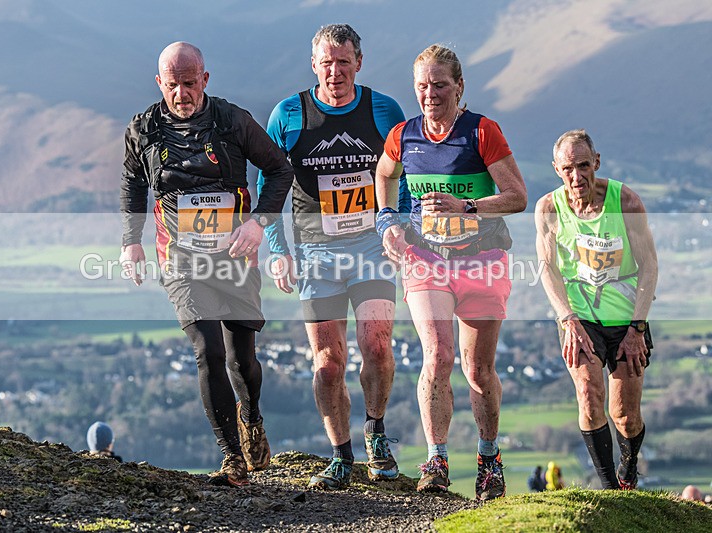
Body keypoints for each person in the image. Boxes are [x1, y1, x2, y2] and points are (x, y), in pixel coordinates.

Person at [120, 42, 294, 487]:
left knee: (241, 361)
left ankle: (251, 416)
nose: (181, 94)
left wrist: (258, 224)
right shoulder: (142, 130)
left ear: (205, 80)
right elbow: (132, 186)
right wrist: (130, 243)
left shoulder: (233, 121)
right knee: (208, 352)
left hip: (235, 255)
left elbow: (280, 170)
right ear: (159, 83)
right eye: (172, 85)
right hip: (179, 260)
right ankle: (231, 456)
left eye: (190, 83)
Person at [374, 44, 527, 500]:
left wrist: (468, 206)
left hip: (483, 259)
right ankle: (436, 459)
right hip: (427, 260)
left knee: (478, 369)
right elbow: (384, 175)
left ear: (459, 87)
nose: (430, 94)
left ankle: (488, 459)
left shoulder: (482, 132)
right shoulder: (404, 135)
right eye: (422, 86)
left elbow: (517, 196)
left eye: (440, 85)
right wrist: (387, 221)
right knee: (438, 356)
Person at [257, 24, 407, 490]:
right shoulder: (288, 115)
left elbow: (405, 174)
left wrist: (397, 227)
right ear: (314, 65)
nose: (336, 72)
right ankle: (342, 456)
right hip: (316, 252)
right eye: (327, 63)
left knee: (378, 345)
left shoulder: (384, 111)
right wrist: (280, 251)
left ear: (359, 63)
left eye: (344, 62)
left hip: (370, 247)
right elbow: (269, 189)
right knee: (327, 363)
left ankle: (376, 433)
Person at [535, 129, 657, 491]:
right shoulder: (548, 209)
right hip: (578, 318)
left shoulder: (626, 202)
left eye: (584, 166)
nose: (577, 177)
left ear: (597, 163)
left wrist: (637, 329)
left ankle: (628, 469)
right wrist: (567, 319)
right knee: (588, 393)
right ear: (557, 169)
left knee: (625, 415)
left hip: (626, 319)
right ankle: (609, 488)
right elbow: (548, 268)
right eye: (568, 168)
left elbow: (649, 266)